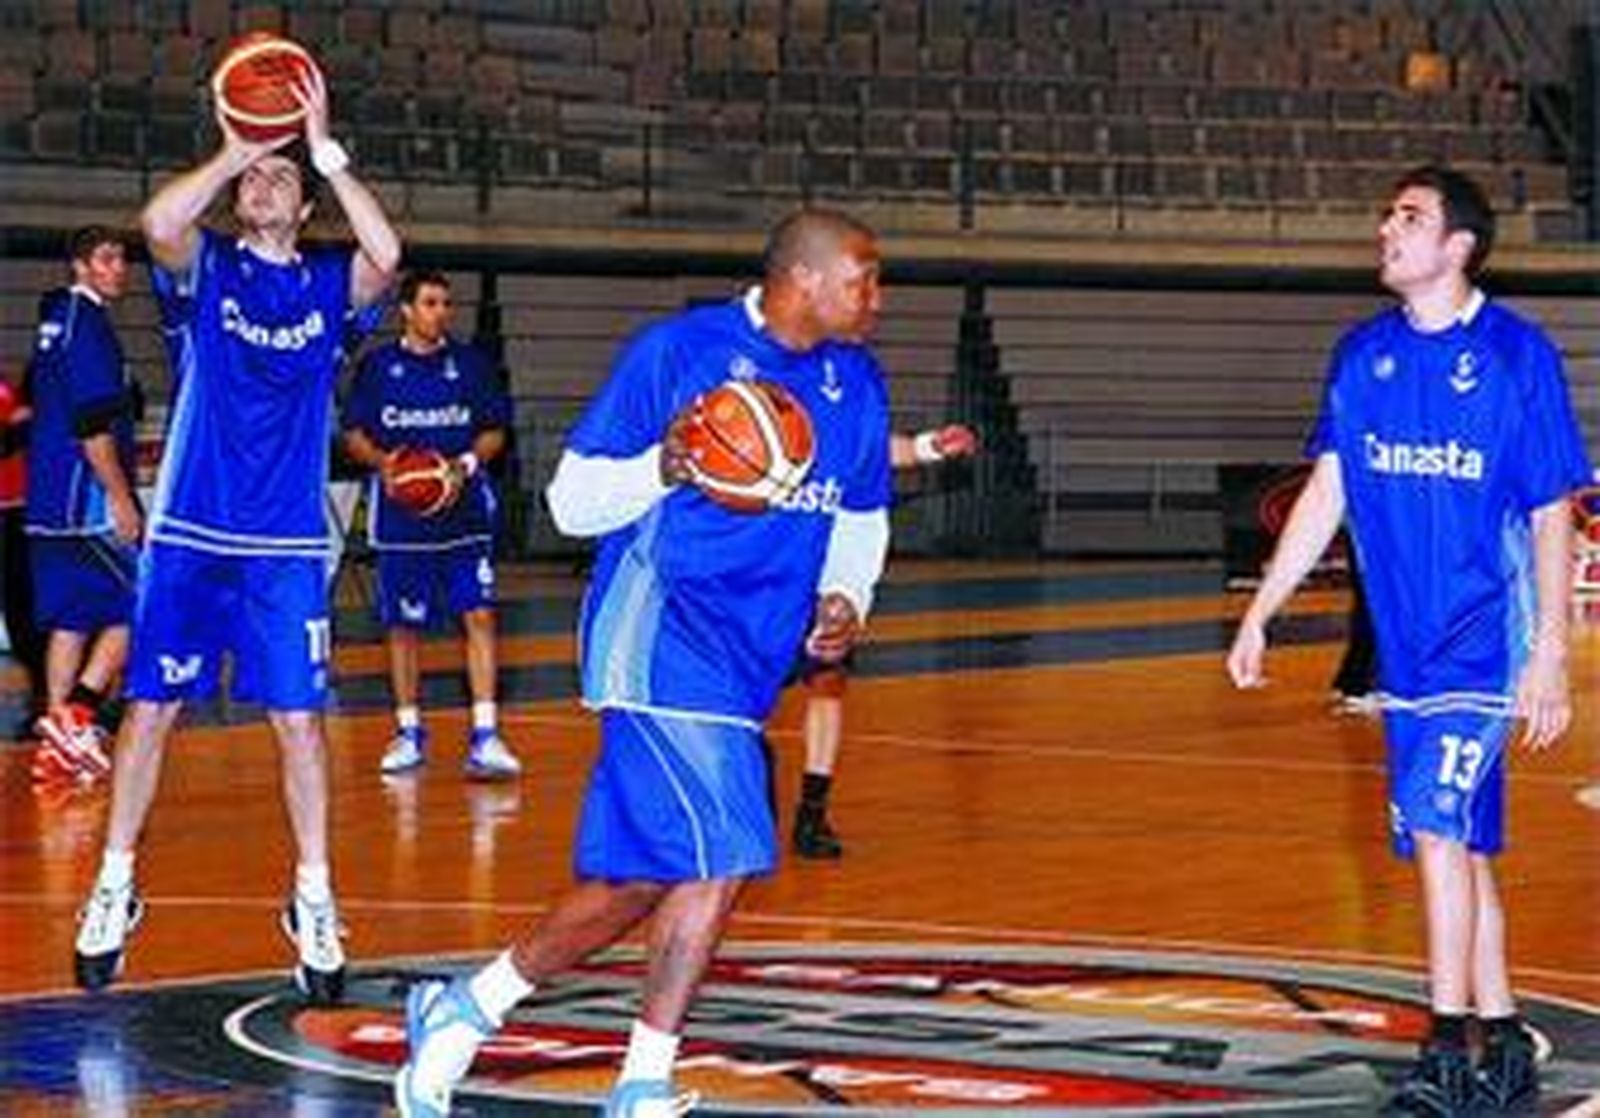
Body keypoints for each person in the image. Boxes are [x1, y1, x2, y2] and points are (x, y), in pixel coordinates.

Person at [395, 208, 893, 1118]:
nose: (878, 298)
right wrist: (665, 466)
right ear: (807, 280)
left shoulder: (856, 383)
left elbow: (861, 514)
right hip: (658, 631)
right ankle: (642, 1081)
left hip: (749, 661)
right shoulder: (678, 352)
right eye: (865, 278)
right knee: (728, 845)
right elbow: (572, 501)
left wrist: (847, 596)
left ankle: (464, 1010)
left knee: (637, 880)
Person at [1226, 165, 1587, 1116]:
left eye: (1410, 216)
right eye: (1387, 211)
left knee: (1434, 830)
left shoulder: (1517, 355)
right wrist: (1264, 608)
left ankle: (1446, 1057)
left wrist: (1551, 651)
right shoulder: (1363, 358)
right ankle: (1503, 1039)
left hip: (1487, 645)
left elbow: (1553, 507)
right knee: (1462, 849)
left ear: (1458, 246)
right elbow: (1328, 493)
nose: (1387, 227)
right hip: (1407, 655)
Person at [71, 68, 400, 1003]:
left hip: (288, 542)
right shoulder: (205, 267)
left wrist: (323, 149)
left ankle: (314, 896)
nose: (262, 185)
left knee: (298, 723)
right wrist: (235, 145)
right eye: (256, 178)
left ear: (303, 207)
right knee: (152, 712)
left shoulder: (335, 283)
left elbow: (388, 247)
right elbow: (159, 225)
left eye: (277, 179)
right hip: (189, 530)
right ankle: (115, 882)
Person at [342, 269, 521, 780]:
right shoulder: (378, 368)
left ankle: (486, 736)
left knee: (480, 616)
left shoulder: (470, 365)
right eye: (429, 302)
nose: (440, 312)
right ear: (406, 308)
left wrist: (462, 466)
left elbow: (494, 431)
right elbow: (354, 432)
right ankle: (408, 731)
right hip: (401, 520)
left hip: (464, 517)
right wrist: (388, 465)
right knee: (403, 626)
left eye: (445, 303)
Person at [791, 422, 978, 859]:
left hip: (833, 562)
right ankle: (737, 778)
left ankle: (813, 811)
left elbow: (867, 448)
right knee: (743, 692)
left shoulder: (851, 381)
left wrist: (928, 447)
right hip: (769, 559)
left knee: (828, 682)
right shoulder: (772, 375)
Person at [23, 227, 141, 784]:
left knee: (71, 618)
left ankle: (56, 743)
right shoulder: (87, 323)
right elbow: (92, 425)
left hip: (45, 497)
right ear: (80, 266)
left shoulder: (53, 322)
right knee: (143, 602)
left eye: (121, 258)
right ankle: (80, 714)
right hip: (84, 495)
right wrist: (122, 498)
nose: (119, 268)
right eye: (107, 258)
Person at [0, 371, 44, 740]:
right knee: (18, 603)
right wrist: (24, 423)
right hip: (8, 512)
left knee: (23, 602)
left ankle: (42, 685)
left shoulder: (6, 386)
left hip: (20, 509)